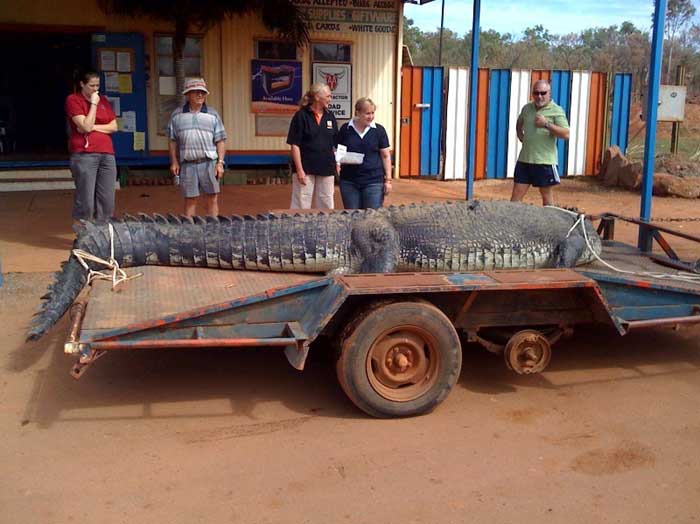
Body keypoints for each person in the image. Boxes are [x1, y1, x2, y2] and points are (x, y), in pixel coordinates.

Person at [168, 78, 227, 217]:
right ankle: (190, 233)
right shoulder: (177, 115)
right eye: (196, 92)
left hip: (209, 163)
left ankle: (213, 230)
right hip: (187, 164)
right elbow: (172, 141)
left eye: (203, 92)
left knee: (212, 199)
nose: (200, 95)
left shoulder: (213, 114)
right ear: (187, 94)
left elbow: (220, 140)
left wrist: (220, 163)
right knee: (190, 200)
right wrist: (174, 162)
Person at [65, 71, 118, 222]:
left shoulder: (104, 101)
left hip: (107, 152)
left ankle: (103, 233)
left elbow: (114, 126)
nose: (95, 89)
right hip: (85, 153)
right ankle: (84, 235)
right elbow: (85, 126)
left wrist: (93, 127)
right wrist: (93, 104)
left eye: (98, 85)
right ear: (82, 84)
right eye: (91, 85)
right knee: (86, 198)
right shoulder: (74, 100)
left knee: (107, 198)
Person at [510, 80, 570, 206]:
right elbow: (519, 121)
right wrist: (519, 133)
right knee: (516, 197)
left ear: (549, 93)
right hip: (525, 159)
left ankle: (549, 223)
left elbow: (566, 134)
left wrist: (546, 124)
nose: (539, 96)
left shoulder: (556, 110)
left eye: (543, 93)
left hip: (545, 162)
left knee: (546, 196)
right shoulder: (527, 108)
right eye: (536, 93)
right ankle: (512, 223)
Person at [286, 83, 338, 209]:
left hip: (327, 167)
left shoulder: (330, 116)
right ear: (317, 97)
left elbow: (335, 144)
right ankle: (298, 228)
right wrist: (299, 170)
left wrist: (338, 163)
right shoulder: (301, 116)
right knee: (301, 203)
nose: (330, 99)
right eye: (328, 96)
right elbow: (295, 144)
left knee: (326, 202)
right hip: (305, 168)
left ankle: (325, 228)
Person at [336, 98, 392, 209]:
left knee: (372, 217)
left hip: (373, 181)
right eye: (367, 113)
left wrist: (388, 180)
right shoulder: (345, 129)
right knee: (352, 216)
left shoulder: (379, 130)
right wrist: (338, 164)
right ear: (358, 112)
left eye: (372, 113)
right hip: (349, 181)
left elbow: (385, 156)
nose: (371, 116)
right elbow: (339, 151)